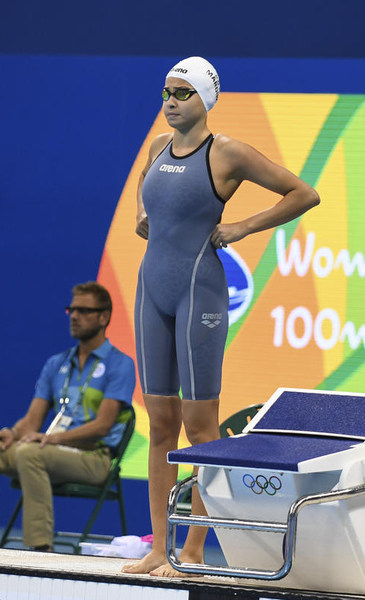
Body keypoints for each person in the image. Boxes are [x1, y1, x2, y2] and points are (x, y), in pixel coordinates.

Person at [122, 56, 320, 577]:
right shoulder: (156, 148)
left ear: (205, 100)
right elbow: (146, 198)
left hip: (199, 292)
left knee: (199, 426)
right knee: (160, 423)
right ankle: (158, 548)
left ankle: (191, 551)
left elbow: (304, 193)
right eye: (165, 91)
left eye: (182, 93)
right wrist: (142, 217)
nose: (169, 101)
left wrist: (244, 227)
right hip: (151, 290)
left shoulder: (227, 153)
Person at [0, 281, 136, 551]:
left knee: (30, 452)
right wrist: (12, 433)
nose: (75, 316)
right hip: (49, 449)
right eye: (72, 310)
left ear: (104, 317)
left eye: (84, 310)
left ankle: (40, 549)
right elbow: (32, 420)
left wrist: (52, 439)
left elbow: (103, 426)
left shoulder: (120, 364)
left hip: (95, 458)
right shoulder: (56, 364)